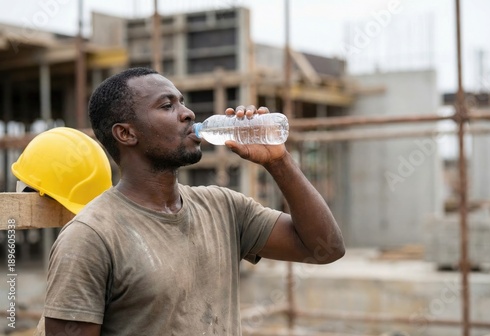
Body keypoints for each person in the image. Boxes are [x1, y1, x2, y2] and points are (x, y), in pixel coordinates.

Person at [40, 67, 345, 336]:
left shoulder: (224, 208)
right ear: (126, 133)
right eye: (167, 105)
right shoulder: (90, 237)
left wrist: (278, 161)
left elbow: (325, 248)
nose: (187, 113)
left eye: (182, 102)